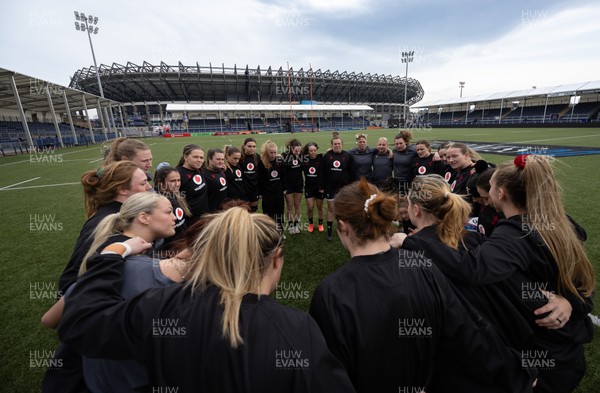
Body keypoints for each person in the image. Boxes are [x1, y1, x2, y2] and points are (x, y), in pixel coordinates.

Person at [57, 208, 355, 392]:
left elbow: (80, 322)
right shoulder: (296, 329)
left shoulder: (160, 305)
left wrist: (111, 256)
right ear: (276, 259)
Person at [391, 156, 596, 393]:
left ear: (501, 193)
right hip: (567, 346)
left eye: (489, 188)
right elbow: (580, 277)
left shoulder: (513, 233)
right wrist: (571, 300)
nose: (484, 196)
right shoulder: (559, 222)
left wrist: (411, 242)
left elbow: (472, 269)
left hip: (544, 356)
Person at [309, 179, 534, 393]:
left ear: (342, 225)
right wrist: (514, 371)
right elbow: (469, 332)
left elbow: (328, 376)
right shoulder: (424, 268)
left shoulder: (331, 293)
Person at [46, 161, 151, 393]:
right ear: (123, 190)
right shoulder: (108, 223)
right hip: (82, 307)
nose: (149, 187)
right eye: (144, 183)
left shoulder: (118, 215)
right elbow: (76, 275)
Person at [319, 136, 353, 240]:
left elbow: (352, 172)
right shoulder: (327, 156)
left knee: (343, 209)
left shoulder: (347, 155)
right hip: (330, 188)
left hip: (344, 188)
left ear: (342, 144)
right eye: (335, 144)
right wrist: (321, 186)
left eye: (339, 143)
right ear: (332, 145)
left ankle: (343, 228)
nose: (337, 145)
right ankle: (329, 231)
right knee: (331, 209)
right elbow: (322, 172)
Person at [154, 164, 191, 246]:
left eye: (178, 180)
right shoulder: (158, 202)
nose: (177, 184)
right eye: (172, 181)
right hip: (172, 248)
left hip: (183, 243)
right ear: (160, 182)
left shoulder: (175, 195)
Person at [258, 140, 285, 236]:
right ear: (266, 152)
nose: (273, 155)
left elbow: (283, 176)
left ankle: (280, 231)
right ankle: (269, 232)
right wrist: (262, 192)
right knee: (268, 214)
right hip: (267, 193)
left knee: (279, 213)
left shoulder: (279, 160)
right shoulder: (261, 162)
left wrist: (282, 188)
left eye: (275, 152)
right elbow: (260, 179)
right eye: (271, 152)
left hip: (278, 192)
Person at [176, 144, 207, 223]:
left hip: (203, 218)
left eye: (201, 157)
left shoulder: (199, 170)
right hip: (189, 222)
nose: (199, 160)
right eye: (195, 157)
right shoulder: (177, 174)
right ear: (185, 157)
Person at [281, 139, 304, 234]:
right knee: (290, 206)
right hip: (288, 186)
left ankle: (296, 225)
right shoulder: (284, 156)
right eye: (296, 151)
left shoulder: (302, 155)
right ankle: (291, 226)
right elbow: (281, 171)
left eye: (299, 150)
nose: (297, 152)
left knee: (297, 206)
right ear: (291, 148)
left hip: (298, 184)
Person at [301, 142, 324, 233]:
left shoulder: (321, 158)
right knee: (310, 207)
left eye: (314, 150)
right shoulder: (304, 160)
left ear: (316, 150)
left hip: (319, 188)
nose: (313, 152)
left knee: (319, 207)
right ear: (308, 151)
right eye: (311, 151)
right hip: (309, 188)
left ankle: (320, 223)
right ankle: (310, 224)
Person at [202, 148, 228, 212]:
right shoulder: (203, 175)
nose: (221, 161)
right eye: (218, 159)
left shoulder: (220, 170)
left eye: (222, 159)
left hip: (223, 210)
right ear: (209, 159)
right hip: (212, 213)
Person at [392, 130, 417, 195]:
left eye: (401, 143)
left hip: (409, 182)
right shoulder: (394, 151)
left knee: (409, 201)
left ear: (406, 142)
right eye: (396, 144)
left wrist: (436, 153)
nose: (398, 146)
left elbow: (425, 152)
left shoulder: (413, 151)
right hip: (397, 182)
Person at [239, 138, 261, 212]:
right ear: (244, 146)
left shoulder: (257, 157)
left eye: (254, 146)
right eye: (249, 146)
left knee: (253, 210)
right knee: (244, 212)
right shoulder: (239, 157)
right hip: (243, 190)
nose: (252, 148)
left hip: (254, 189)